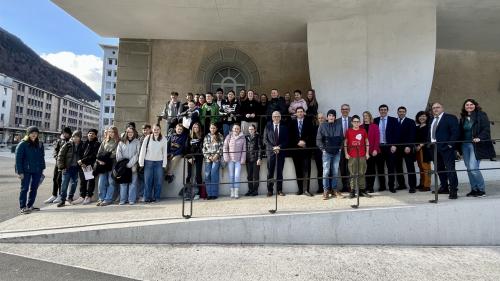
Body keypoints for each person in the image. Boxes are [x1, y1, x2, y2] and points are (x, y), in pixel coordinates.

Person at [459, 99, 496, 197]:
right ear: (464, 107)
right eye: (467, 105)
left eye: (471, 104)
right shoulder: (463, 117)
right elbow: (461, 132)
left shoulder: (481, 115)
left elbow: (486, 129)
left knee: (473, 168)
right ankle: (474, 189)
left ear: (475, 105)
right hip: (465, 145)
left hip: (476, 145)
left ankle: (481, 189)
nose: (469, 106)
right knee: (469, 168)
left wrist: (480, 138)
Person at [429, 102, 460, 199]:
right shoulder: (431, 119)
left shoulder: (450, 117)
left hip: (446, 148)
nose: (435, 109)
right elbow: (430, 133)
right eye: (433, 108)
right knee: (439, 169)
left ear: (442, 108)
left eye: (438, 107)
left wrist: (450, 145)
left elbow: (455, 132)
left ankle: (453, 190)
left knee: (450, 169)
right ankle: (444, 187)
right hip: (434, 148)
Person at [15, 126, 45, 214]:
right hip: (25, 170)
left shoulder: (39, 144)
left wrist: (42, 168)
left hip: (37, 170)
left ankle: (30, 205)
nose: (34, 135)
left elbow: (41, 157)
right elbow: (18, 159)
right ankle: (23, 207)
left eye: (36, 133)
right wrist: (20, 172)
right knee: (24, 188)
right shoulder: (23, 144)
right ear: (28, 134)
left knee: (34, 188)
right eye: (32, 133)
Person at [316, 109, 344, 199]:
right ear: (327, 117)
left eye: (333, 116)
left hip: (336, 152)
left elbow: (342, 138)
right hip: (326, 153)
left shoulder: (339, 126)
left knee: (335, 171)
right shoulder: (322, 126)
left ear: (335, 117)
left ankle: (334, 189)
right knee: (326, 172)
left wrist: (340, 148)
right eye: (329, 115)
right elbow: (318, 140)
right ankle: (326, 190)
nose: (331, 117)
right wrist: (323, 149)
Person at [139, 124, 169, 203]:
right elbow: (143, 150)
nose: (156, 131)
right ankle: (147, 198)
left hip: (159, 162)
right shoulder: (147, 138)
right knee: (147, 181)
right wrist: (141, 162)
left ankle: (157, 197)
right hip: (148, 162)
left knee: (158, 181)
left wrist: (164, 164)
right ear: (152, 130)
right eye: (155, 129)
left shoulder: (163, 139)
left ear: (160, 130)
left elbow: (164, 152)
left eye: (158, 129)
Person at [374, 104, 400, 193]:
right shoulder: (375, 120)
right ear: (379, 111)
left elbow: (397, 134)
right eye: (381, 109)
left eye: (385, 109)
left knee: (391, 168)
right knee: (380, 168)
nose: (383, 111)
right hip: (379, 147)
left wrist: (394, 145)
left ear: (387, 110)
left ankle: (391, 186)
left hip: (390, 147)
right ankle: (382, 186)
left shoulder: (393, 120)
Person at [289, 107, 313, 196]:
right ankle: (300, 189)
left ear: (304, 113)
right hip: (296, 150)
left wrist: (304, 141)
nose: (300, 113)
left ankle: (306, 190)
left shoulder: (309, 122)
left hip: (306, 150)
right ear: (295, 114)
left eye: (301, 112)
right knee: (298, 170)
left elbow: (311, 135)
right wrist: (297, 142)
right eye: (298, 112)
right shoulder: (292, 123)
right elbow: (290, 136)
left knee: (307, 170)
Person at [344, 115, 370, 198]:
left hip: (362, 155)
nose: (356, 123)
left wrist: (367, 153)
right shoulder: (348, 131)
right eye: (354, 122)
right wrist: (346, 153)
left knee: (362, 172)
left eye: (357, 122)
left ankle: (362, 190)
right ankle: (352, 191)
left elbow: (367, 142)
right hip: (352, 155)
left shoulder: (363, 131)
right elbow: (345, 143)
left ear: (360, 122)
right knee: (352, 173)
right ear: (352, 122)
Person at [72, 129, 100, 205]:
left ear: (95, 135)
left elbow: (93, 155)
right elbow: (79, 153)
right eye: (90, 133)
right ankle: (82, 196)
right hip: (82, 165)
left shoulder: (96, 144)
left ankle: (89, 196)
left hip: (89, 166)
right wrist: (81, 163)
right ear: (87, 134)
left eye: (93, 134)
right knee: (82, 181)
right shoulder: (84, 143)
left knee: (90, 182)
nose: (91, 135)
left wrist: (83, 161)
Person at [264, 111, 288, 196]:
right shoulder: (268, 127)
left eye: (278, 116)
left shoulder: (284, 127)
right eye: (274, 116)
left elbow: (286, 140)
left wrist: (279, 147)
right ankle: (270, 190)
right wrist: (273, 148)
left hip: (280, 153)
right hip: (271, 153)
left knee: (279, 172)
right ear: (272, 118)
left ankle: (279, 190)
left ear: (280, 117)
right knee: (270, 172)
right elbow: (265, 140)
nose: (276, 118)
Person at [56, 131, 83, 207]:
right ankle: (62, 200)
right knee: (64, 185)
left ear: (80, 138)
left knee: (74, 184)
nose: (75, 138)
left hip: (76, 168)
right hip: (67, 168)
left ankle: (70, 197)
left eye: (77, 137)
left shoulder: (82, 145)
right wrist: (61, 167)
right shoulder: (67, 145)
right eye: (74, 136)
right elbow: (60, 156)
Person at [45, 127, 71, 204]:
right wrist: (56, 157)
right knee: (55, 178)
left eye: (66, 133)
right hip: (58, 163)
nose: (65, 134)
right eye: (64, 133)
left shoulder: (70, 142)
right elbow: (55, 151)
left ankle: (60, 195)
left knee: (60, 179)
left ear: (69, 134)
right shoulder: (60, 141)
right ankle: (54, 194)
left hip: (65, 164)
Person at [116, 126, 141, 205]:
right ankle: (123, 200)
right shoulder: (121, 142)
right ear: (126, 133)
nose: (130, 134)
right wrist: (123, 163)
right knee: (123, 183)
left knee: (133, 183)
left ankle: (131, 199)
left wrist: (130, 164)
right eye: (128, 132)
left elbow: (138, 154)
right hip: (123, 166)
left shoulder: (137, 141)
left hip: (132, 165)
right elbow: (118, 154)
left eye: (131, 132)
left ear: (134, 133)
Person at [395, 106, 417, 193]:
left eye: (403, 111)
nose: (401, 113)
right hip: (397, 148)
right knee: (398, 167)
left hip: (407, 148)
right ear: (397, 112)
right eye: (400, 111)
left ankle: (412, 186)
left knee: (410, 167)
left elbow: (412, 135)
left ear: (405, 112)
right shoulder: (394, 121)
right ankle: (401, 185)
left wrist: (409, 146)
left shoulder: (411, 121)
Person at [96, 126, 119, 206]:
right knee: (101, 182)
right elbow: (99, 153)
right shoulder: (105, 141)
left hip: (112, 163)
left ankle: (108, 199)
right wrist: (100, 160)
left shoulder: (118, 142)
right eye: (109, 131)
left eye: (113, 132)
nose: (111, 133)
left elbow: (115, 153)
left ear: (115, 133)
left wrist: (105, 157)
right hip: (102, 164)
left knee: (111, 181)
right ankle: (101, 198)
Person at [223, 123, 246, 199]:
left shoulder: (242, 138)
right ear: (232, 129)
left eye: (238, 128)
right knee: (231, 176)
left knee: (237, 176)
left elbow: (244, 150)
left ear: (240, 130)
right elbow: (225, 147)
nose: (236, 130)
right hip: (230, 160)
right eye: (235, 128)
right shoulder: (229, 137)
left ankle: (236, 192)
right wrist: (226, 157)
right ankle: (232, 191)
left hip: (238, 160)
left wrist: (243, 159)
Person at [203, 123, 224, 200]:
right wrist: (208, 156)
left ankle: (214, 194)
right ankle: (209, 194)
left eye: (214, 128)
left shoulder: (220, 136)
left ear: (216, 128)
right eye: (211, 128)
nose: (213, 129)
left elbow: (221, 147)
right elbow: (204, 148)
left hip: (216, 158)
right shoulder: (206, 137)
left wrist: (216, 155)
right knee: (207, 175)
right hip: (208, 159)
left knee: (214, 174)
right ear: (209, 128)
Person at [335, 104, 352, 192]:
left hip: (351, 148)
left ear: (349, 110)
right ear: (340, 110)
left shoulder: (353, 120)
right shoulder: (336, 121)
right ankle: (344, 186)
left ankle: (350, 186)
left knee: (350, 167)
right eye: (343, 109)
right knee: (342, 167)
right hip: (340, 148)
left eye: (346, 109)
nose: (345, 110)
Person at [362, 111, 380, 193]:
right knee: (365, 170)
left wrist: (376, 149)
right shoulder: (360, 127)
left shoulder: (375, 126)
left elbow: (377, 139)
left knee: (372, 169)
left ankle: (371, 187)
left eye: (367, 115)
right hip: (363, 152)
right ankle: (366, 187)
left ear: (370, 117)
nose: (365, 117)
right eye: (364, 116)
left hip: (373, 151)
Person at [185, 122, 204, 200]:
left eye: (197, 127)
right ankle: (188, 193)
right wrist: (189, 158)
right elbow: (186, 148)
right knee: (189, 175)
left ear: (199, 128)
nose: (195, 129)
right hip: (190, 158)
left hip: (198, 157)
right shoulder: (189, 136)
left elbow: (200, 148)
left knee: (198, 175)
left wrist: (195, 157)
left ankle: (198, 193)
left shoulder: (201, 137)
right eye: (194, 127)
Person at [415, 111, 432, 192]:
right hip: (418, 149)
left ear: (427, 117)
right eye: (420, 116)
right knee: (420, 167)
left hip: (425, 150)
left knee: (426, 168)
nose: (422, 118)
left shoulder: (429, 127)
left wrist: (421, 145)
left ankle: (427, 185)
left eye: (424, 116)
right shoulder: (417, 127)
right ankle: (422, 183)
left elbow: (429, 138)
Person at [245, 124, 264, 196]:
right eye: (249, 129)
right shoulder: (246, 137)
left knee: (255, 176)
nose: (251, 130)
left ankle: (255, 190)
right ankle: (250, 190)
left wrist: (259, 158)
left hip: (256, 159)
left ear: (255, 129)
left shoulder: (258, 137)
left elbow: (260, 148)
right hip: (248, 159)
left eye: (252, 129)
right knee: (249, 176)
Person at [311, 113, 326, 194]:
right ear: (317, 119)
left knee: (328, 171)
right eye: (319, 118)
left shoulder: (328, 127)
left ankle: (328, 188)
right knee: (320, 171)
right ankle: (321, 188)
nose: (321, 119)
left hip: (328, 153)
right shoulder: (314, 128)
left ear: (325, 118)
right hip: (318, 153)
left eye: (322, 118)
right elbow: (313, 141)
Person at [137, 124, 152, 201]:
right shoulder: (141, 138)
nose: (145, 131)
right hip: (141, 161)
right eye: (144, 130)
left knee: (148, 179)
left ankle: (147, 196)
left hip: (150, 161)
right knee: (142, 179)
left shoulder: (152, 137)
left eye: (146, 129)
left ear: (150, 129)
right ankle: (141, 195)